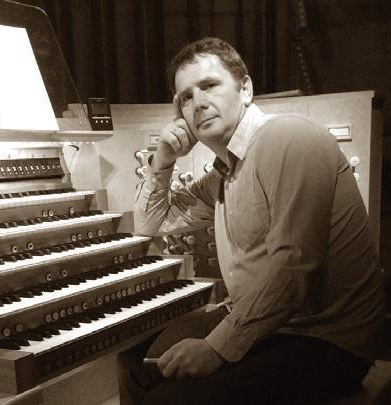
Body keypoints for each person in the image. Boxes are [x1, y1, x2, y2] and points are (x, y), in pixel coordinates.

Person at [118, 37, 385, 405]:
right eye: (186, 97)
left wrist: (216, 348)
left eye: (209, 85)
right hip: (276, 326)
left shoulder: (288, 138)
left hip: (327, 340)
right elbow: (151, 224)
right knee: (134, 363)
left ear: (245, 89)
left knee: (168, 400)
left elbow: (294, 267)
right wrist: (163, 161)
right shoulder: (223, 173)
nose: (198, 103)